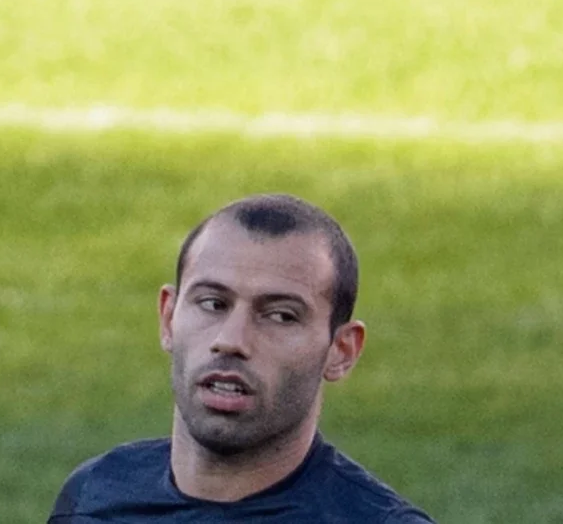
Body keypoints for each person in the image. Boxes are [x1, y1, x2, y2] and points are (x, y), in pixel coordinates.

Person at [49, 194, 433, 523]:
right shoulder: (94, 498)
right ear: (168, 317)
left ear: (341, 351)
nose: (231, 341)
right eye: (213, 304)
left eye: (281, 315)